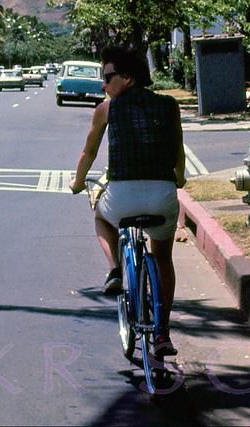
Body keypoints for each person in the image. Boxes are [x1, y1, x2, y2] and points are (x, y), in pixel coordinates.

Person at [70, 45, 186, 356]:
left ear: (128, 78)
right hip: (162, 196)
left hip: (122, 199)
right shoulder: (170, 105)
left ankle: (115, 270)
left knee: (100, 215)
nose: (104, 86)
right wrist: (181, 177)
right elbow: (178, 152)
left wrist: (78, 183)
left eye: (108, 78)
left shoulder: (106, 110)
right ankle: (162, 333)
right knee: (163, 257)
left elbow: (89, 153)